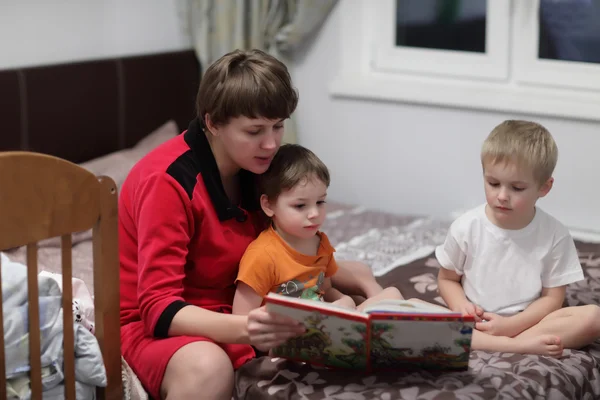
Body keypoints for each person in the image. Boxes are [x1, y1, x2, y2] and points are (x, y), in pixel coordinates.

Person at [118, 49, 386, 400]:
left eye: (278, 126)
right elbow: (158, 308)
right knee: (208, 367)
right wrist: (249, 328)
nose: (272, 143)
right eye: (255, 130)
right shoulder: (167, 182)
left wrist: (368, 287)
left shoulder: (257, 164)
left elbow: (290, 257)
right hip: (155, 327)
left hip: (237, 304)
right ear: (212, 123)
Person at [435, 120, 600, 357]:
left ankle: (506, 342)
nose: (502, 196)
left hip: (530, 322)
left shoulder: (555, 234)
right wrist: (461, 306)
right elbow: (447, 280)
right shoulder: (466, 227)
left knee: (593, 318)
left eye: (517, 188)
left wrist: (511, 326)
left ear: (544, 188)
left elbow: (553, 299)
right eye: (493, 183)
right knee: (409, 311)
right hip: (476, 322)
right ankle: (514, 346)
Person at [232, 144, 403, 315]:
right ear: (268, 205)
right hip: (287, 333)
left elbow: (325, 291)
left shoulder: (320, 244)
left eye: (320, 202)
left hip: (322, 325)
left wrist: (343, 300)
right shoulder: (262, 256)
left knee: (393, 295)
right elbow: (241, 319)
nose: (314, 213)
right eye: (300, 205)